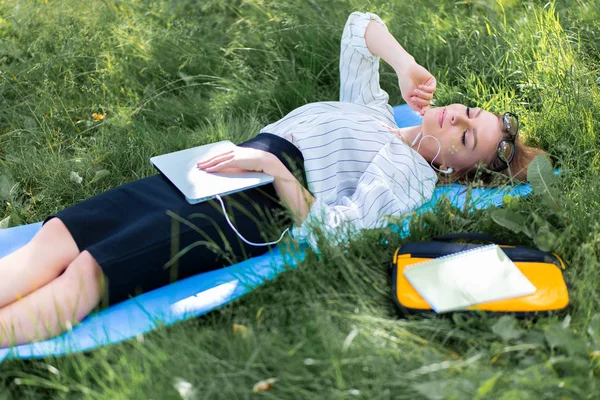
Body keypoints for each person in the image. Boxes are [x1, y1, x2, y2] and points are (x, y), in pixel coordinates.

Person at [0, 11, 543, 346]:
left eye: (467, 136)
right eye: (470, 111)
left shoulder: (409, 176)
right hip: (213, 167)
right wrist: (402, 64)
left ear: (451, 167)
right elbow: (359, 27)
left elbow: (341, 229)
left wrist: (277, 172)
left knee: (91, 272)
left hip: (253, 207)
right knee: (59, 235)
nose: (458, 116)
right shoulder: (376, 112)